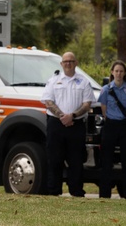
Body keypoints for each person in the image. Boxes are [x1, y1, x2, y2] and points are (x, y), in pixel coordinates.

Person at [41, 51, 94, 197]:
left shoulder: (83, 82)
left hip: (76, 125)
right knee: (54, 160)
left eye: (71, 61)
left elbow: (87, 103)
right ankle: (53, 191)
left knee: (76, 161)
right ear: (61, 64)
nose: (68, 64)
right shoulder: (53, 80)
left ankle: (76, 192)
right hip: (56, 124)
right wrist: (62, 116)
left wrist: (73, 116)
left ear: (76, 63)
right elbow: (48, 101)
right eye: (65, 62)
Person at [97, 60, 126, 199]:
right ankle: (104, 195)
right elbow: (104, 108)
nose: (119, 74)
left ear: (125, 73)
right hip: (110, 125)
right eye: (116, 71)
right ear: (112, 72)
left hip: (125, 126)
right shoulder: (105, 90)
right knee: (106, 161)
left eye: (121, 71)